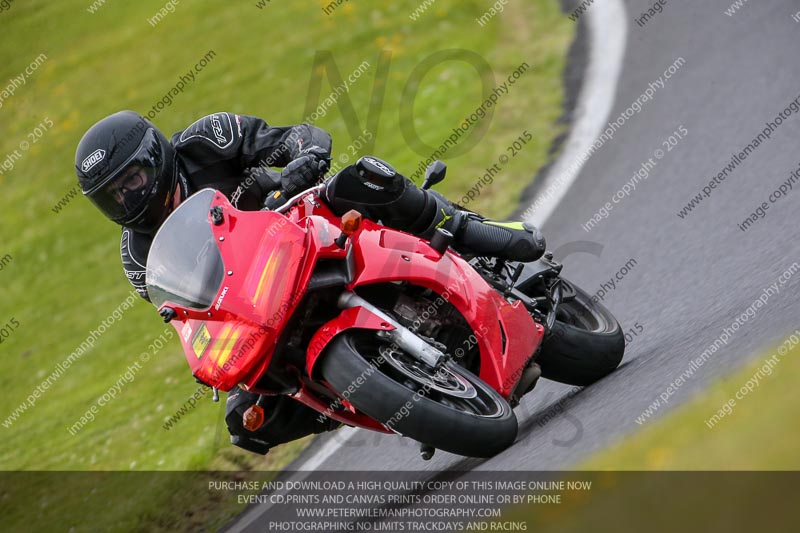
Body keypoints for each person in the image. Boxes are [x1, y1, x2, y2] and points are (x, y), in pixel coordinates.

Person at [75, 110, 546, 455]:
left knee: (359, 179)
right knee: (247, 422)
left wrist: (303, 160)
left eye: (132, 180)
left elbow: (300, 136)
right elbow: (189, 315)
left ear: (155, 155)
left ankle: (469, 229)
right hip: (260, 305)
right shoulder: (138, 258)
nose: (126, 198)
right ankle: (395, 400)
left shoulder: (207, 140)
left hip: (304, 228)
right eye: (111, 196)